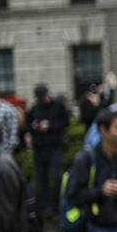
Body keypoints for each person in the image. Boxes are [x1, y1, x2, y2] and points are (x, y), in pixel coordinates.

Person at [27, 83, 69, 215]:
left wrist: (50, 126)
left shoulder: (58, 106)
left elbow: (65, 123)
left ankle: (60, 205)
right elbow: (27, 125)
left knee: (57, 178)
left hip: (54, 147)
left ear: (47, 95)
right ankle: (47, 207)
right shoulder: (35, 109)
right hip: (39, 148)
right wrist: (33, 126)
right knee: (42, 179)